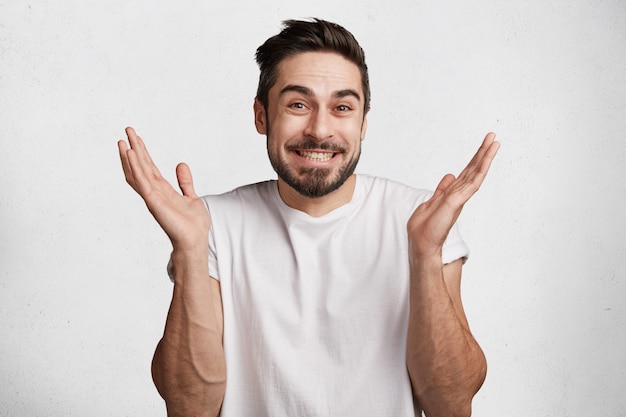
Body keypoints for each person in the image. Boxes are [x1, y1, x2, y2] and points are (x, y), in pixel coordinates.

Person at [118, 18, 499, 417]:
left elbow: (450, 405)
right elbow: (189, 407)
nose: (320, 129)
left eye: (342, 108)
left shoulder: (420, 220)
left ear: (363, 122)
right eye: (298, 104)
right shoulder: (211, 225)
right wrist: (191, 249)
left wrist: (424, 255)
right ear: (262, 115)